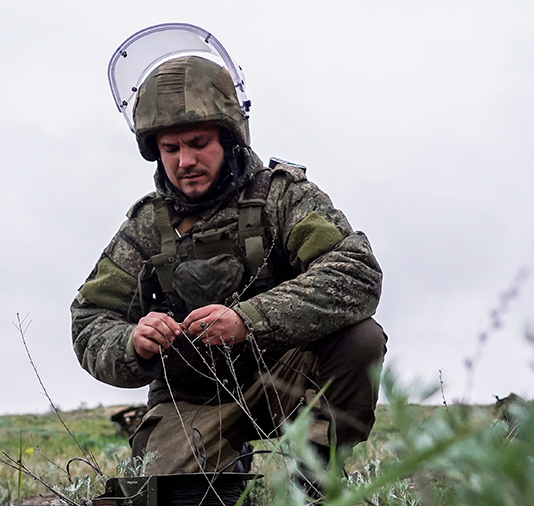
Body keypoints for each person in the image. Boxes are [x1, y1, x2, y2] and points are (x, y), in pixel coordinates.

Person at [71, 46, 385, 477]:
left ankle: (316, 479)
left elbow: (356, 272)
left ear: (229, 137)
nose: (185, 161)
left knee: (359, 340)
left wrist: (249, 320)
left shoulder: (280, 195)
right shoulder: (146, 226)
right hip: (191, 398)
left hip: (283, 380)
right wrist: (133, 343)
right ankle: (225, 464)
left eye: (199, 143)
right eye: (170, 147)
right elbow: (89, 319)